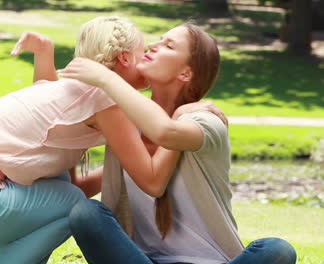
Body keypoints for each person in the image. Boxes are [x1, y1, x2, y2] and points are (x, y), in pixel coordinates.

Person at [0, 16, 209, 264]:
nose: (148, 55)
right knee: (76, 207)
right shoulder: (105, 100)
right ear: (125, 58)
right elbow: (153, 181)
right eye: (144, 51)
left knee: (66, 195)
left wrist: (44, 54)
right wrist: (184, 122)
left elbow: (70, 177)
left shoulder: (72, 87)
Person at [58, 23, 297, 264]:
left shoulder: (206, 122)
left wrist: (106, 79)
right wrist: (69, 141)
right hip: (141, 260)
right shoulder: (124, 124)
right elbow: (79, 189)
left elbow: (166, 133)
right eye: (159, 39)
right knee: (86, 213)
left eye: (168, 45)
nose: (153, 45)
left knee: (277, 250)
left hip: (209, 262)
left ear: (185, 73)